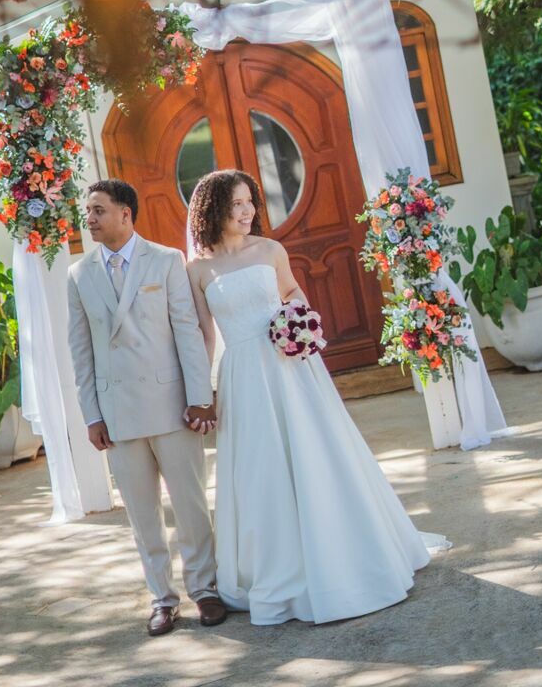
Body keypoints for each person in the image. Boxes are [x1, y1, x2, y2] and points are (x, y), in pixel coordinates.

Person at [186, 167, 447, 626]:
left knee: (314, 452)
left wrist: (298, 326)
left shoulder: (270, 250)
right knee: (260, 467)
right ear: (213, 209)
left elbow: (293, 295)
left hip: (289, 367)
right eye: (237, 204)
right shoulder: (199, 270)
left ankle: (344, 556)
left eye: (251, 201)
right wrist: (203, 391)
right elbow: (206, 336)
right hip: (242, 376)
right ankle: (280, 568)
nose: (248, 211)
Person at [67, 178, 228, 636]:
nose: (90, 219)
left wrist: (201, 397)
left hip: (172, 404)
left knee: (191, 505)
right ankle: (162, 598)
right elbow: (81, 352)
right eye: (88, 211)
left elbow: (187, 331)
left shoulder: (166, 260)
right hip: (119, 415)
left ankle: (206, 590)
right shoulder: (79, 276)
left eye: (99, 210)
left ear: (125, 213)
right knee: (142, 514)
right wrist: (92, 414)